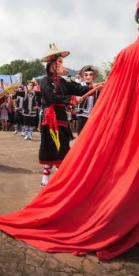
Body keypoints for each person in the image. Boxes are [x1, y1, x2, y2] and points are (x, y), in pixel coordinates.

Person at [0, 0, 139, 259]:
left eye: (60, 60)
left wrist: (89, 90)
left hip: (123, 123)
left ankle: (129, 224)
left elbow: (81, 89)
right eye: (55, 61)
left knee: (110, 167)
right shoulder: (46, 81)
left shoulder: (125, 54)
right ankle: (133, 228)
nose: (59, 63)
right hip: (137, 124)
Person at [37, 45, 94, 186]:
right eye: (58, 62)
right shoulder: (45, 81)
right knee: (53, 147)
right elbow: (51, 97)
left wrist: (93, 86)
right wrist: (72, 99)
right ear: (51, 64)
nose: (61, 65)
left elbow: (78, 88)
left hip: (61, 118)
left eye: (61, 62)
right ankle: (52, 178)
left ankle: (54, 178)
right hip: (50, 119)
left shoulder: (62, 81)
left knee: (62, 147)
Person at [75, 65, 101, 136]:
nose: (88, 77)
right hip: (82, 114)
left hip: (93, 115)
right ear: (83, 76)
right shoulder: (79, 86)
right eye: (86, 75)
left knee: (91, 135)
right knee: (81, 135)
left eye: (90, 75)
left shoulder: (97, 87)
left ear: (93, 76)